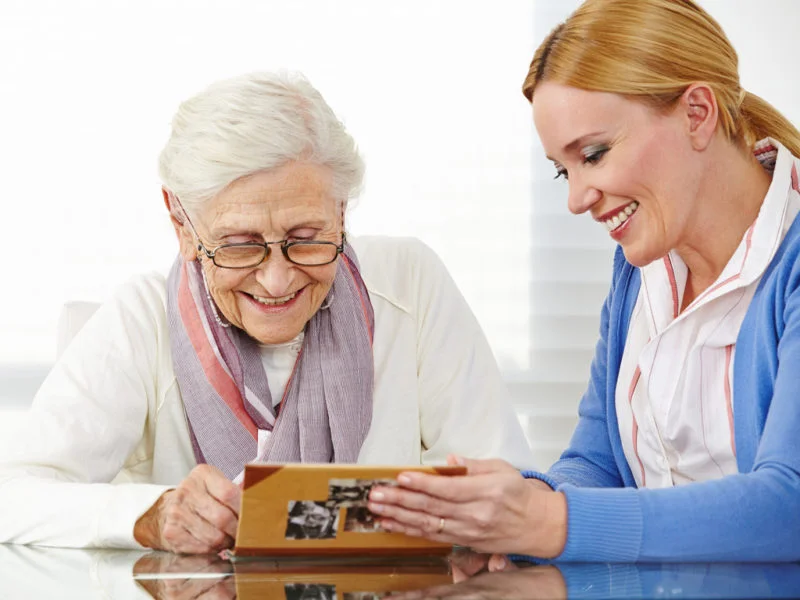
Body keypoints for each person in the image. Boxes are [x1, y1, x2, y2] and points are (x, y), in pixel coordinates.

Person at [0, 71, 533, 554]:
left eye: (307, 239)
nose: (277, 281)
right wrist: (149, 515)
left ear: (341, 212)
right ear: (182, 222)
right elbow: (14, 497)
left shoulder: (410, 284)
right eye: (238, 245)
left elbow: (507, 485)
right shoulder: (138, 321)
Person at [367, 0, 800, 562]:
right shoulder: (641, 268)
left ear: (697, 113)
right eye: (562, 169)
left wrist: (550, 521)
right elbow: (597, 461)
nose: (576, 199)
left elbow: (787, 506)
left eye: (593, 154)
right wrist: (523, 501)